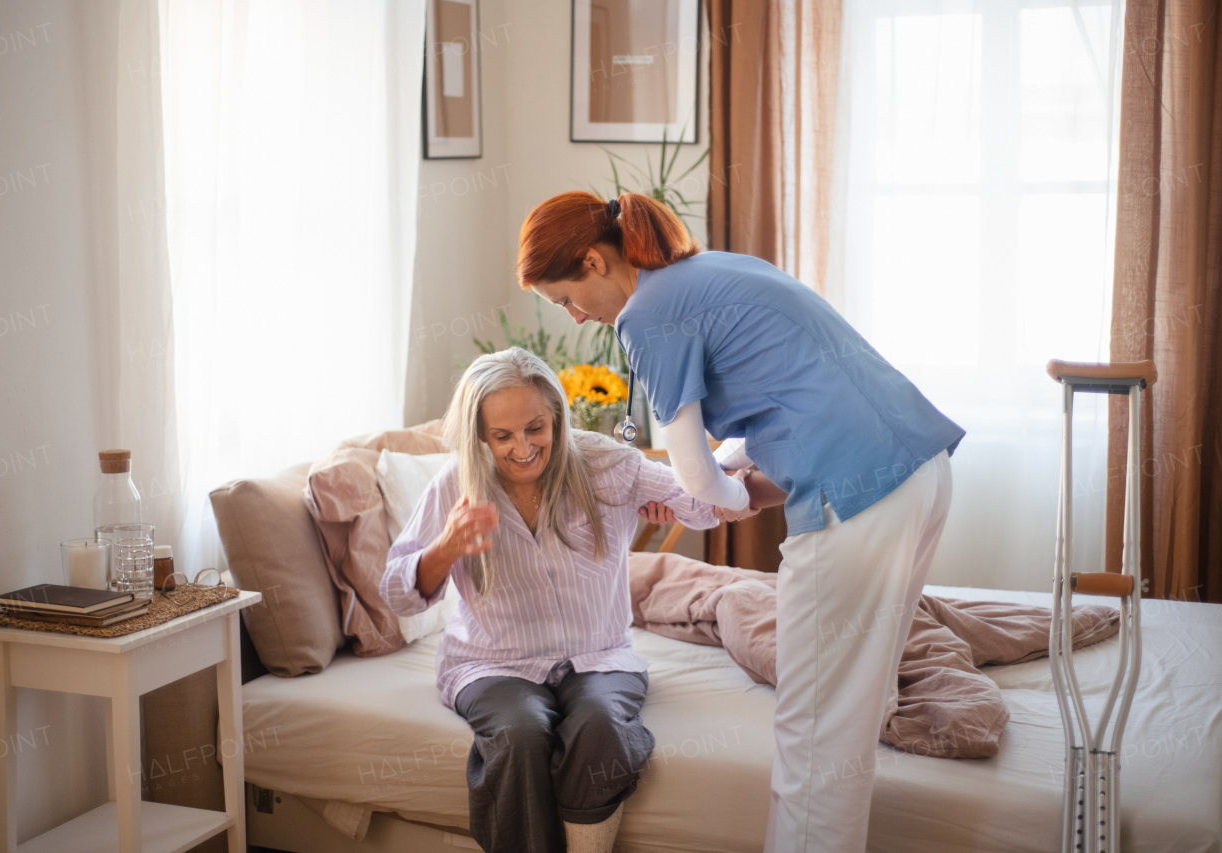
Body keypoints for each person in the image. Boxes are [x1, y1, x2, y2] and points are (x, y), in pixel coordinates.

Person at [518, 191, 965, 853]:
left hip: (863, 502)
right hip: (919, 475)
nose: (578, 316)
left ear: (593, 260)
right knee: (854, 707)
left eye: (566, 298)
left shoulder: (645, 313)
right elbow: (792, 410)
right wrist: (739, 488)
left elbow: (698, 476)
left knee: (812, 732)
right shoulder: (712, 271)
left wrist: (709, 493)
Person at [380, 347, 719, 853]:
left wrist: (712, 458)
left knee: (600, 723)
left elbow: (706, 504)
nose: (522, 448)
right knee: (519, 735)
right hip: (492, 663)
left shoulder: (607, 465)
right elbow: (397, 596)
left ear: (557, 416)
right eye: (502, 436)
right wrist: (445, 547)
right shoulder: (456, 482)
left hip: (600, 655)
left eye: (535, 428)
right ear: (479, 435)